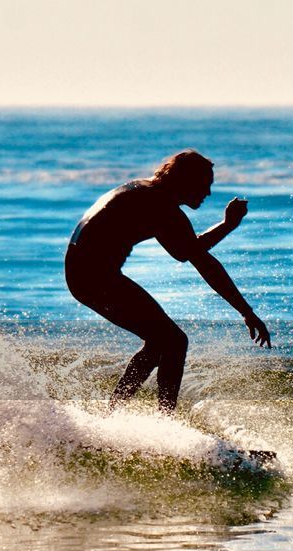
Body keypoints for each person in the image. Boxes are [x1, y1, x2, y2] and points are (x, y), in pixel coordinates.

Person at [64, 150, 270, 414]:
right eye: (204, 185)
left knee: (161, 341)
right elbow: (199, 259)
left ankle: (112, 413)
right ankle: (164, 420)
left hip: (86, 272)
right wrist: (246, 311)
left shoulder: (150, 192)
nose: (207, 193)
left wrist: (227, 226)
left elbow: (190, 252)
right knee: (173, 341)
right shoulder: (159, 204)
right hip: (92, 275)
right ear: (186, 180)